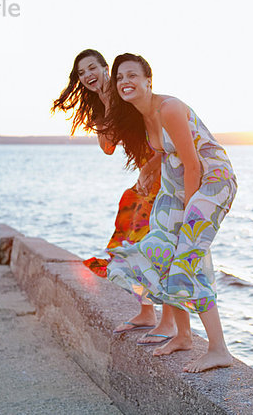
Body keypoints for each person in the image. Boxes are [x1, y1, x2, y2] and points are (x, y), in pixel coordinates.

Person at [104, 53, 237, 372]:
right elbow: (168, 152)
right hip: (175, 186)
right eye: (120, 77)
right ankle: (183, 335)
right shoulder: (143, 115)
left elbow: (193, 164)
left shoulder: (170, 108)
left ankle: (219, 350)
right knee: (159, 252)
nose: (125, 82)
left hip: (211, 183)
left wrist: (188, 214)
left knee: (187, 258)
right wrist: (149, 168)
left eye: (132, 75)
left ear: (149, 80)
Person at [51, 49, 174, 345]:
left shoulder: (126, 91)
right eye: (81, 73)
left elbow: (162, 133)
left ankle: (169, 322)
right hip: (146, 178)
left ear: (106, 68)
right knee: (128, 245)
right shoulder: (102, 105)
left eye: (92, 68)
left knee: (161, 246)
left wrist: (150, 167)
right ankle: (147, 312)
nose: (88, 76)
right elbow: (107, 148)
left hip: (165, 170)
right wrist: (105, 105)